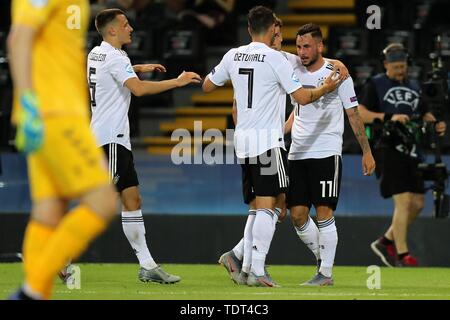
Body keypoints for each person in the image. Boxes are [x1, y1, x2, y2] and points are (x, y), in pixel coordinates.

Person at [202, 6, 342, 287]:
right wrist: (326, 88)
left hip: (242, 141)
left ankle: (240, 261)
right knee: (270, 207)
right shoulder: (275, 59)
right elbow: (302, 97)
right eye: (279, 32)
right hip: (267, 140)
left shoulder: (233, 54)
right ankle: (256, 270)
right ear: (273, 30)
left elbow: (207, 85)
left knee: (267, 205)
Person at [7, 0, 117, 299]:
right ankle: (31, 292)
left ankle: (37, 292)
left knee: (49, 211)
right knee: (103, 201)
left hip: (57, 111)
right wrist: (28, 101)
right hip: (54, 112)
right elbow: (19, 37)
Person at [87, 8, 202, 283]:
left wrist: (138, 68)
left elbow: (111, 73)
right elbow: (138, 90)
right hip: (110, 140)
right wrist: (177, 81)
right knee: (98, 205)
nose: (131, 29)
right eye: (126, 25)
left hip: (112, 140)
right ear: (112, 30)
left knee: (132, 200)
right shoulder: (115, 58)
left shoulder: (97, 53)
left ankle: (147, 266)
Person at [283, 23, 376, 286]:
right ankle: (323, 257)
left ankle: (325, 273)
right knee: (298, 214)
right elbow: (297, 110)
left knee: (323, 211)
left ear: (320, 46)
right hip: (297, 152)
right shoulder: (292, 68)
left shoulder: (337, 73)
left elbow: (353, 114)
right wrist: (281, 133)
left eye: (307, 46)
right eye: (299, 46)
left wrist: (366, 152)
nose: (302, 51)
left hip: (326, 151)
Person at [358, 43, 446, 267]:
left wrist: (436, 124)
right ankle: (402, 254)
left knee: (417, 203)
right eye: (395, 66)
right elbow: (360, 113)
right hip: (387, 146)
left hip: (412, 148)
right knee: (404, 200)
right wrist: (390, 118)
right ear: (386, 64)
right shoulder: (375, 84)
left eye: (403, 66)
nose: (400, 70)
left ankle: (385, 241)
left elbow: (424, 112)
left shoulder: (415, 85)